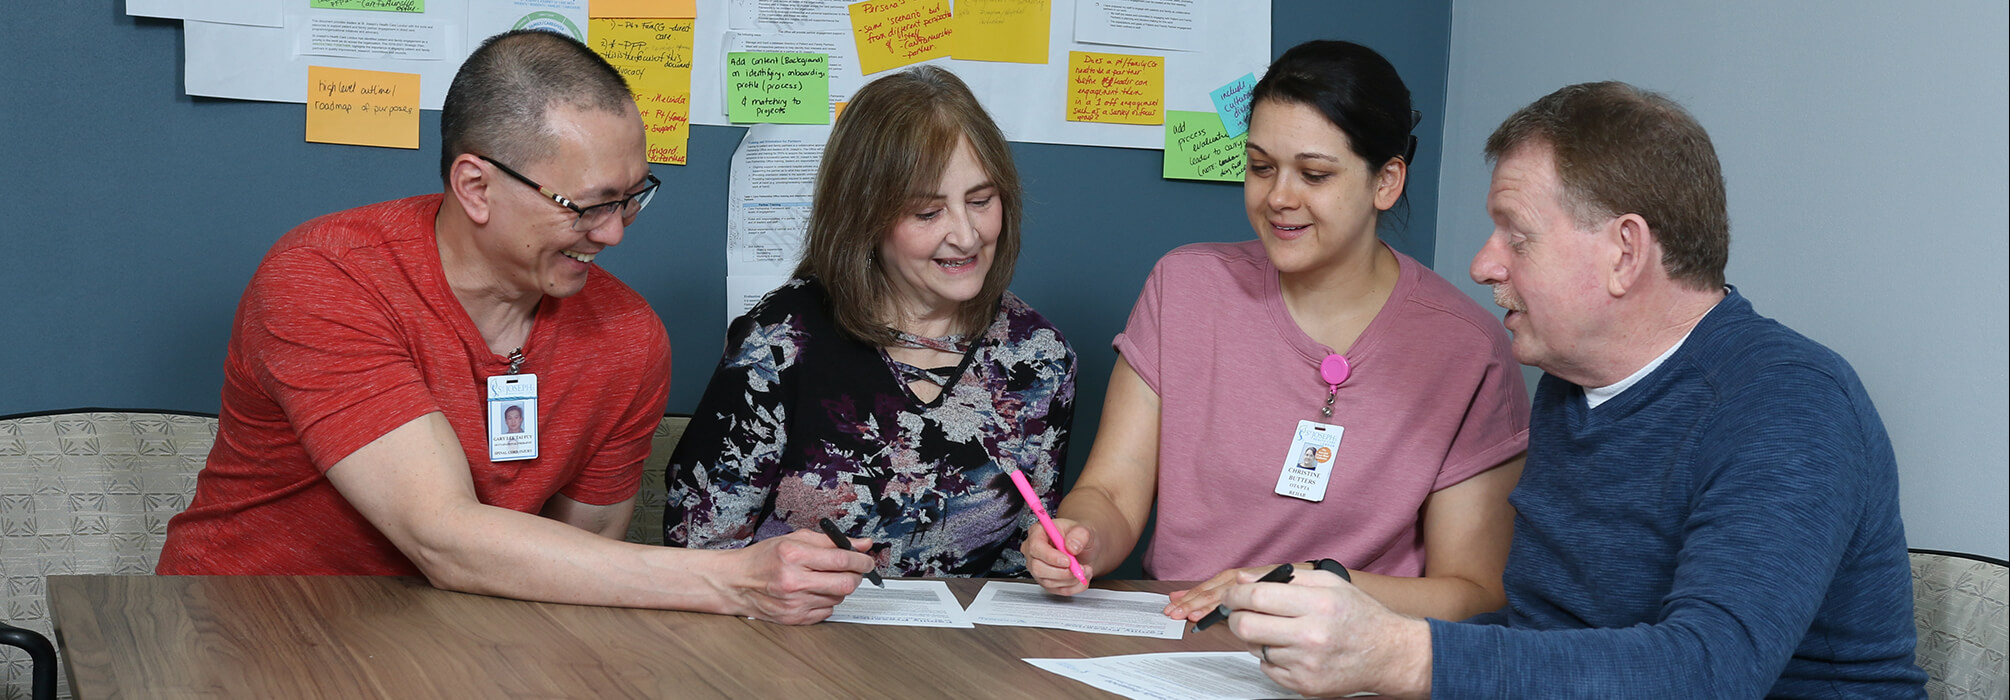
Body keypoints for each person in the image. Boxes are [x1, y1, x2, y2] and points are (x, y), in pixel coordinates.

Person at [1220, 81, 1927, 697]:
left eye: (1515, 235)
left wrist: (1404, 655)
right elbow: (1549, 637)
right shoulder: (1573, 386)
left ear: (1624, 252)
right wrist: (1353, 627)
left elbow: (1710, 674)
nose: (1482, 264)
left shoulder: (1789, 403)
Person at [157, 30, 873, 625]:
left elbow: (580, 564)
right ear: (476, 187)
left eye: (632, 199)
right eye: (587, 205)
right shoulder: (325, 276)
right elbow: (445, 537)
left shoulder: (628, 336)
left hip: (457, 640)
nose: (615, 234)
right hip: (243, 625)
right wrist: (731, 581)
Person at [1023, 39, 1529, 623]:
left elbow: (1472, 590)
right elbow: (1111, 493)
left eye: (1313, 174)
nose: (1278, 198)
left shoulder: (1469, 349)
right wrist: (1079, 539)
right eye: (1261, 167)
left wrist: (1305, 586)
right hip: (1176, 643)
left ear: (1386, 182)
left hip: (1353, 663)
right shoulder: (1185, 285)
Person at [664, 65, 1076, 577]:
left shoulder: (1038, 358)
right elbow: (700, 550)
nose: (967, 236)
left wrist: (1053, 567)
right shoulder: (780, 341)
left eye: (980, 201)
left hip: (965, 648)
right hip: (788, 639)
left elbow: (1024, 557)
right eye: (928, 213)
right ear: (864, 217)